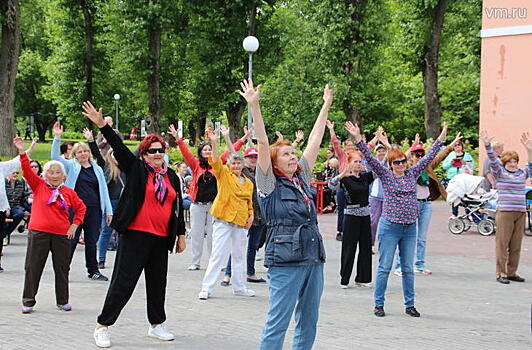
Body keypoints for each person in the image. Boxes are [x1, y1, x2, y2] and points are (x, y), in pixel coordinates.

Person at [82, 101, 186, 348]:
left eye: (161, 150)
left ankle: (156, 324)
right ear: (144, 154)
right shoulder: (137, 168)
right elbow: (118, 145)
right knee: (123, 282)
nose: (158, 154)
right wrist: (102, 125)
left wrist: (180, 235)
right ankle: (103, 325)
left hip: (161, 238)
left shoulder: (171, 176)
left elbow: (177, 207)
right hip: (136, 235)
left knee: (158, 282)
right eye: (152, 151)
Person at [239, 78, 331, 349]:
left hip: (313, 256)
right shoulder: (268, 183)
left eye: (294, 153)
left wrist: (326, 105)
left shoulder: (301, 178)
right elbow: (264, 143)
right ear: (275, 163)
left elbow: (315, 138)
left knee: (308, 320)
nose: (293, 157)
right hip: (285, 259)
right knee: (278, 321)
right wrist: (254, 106)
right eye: (287, 155)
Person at [346, 121, 447, 318]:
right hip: (390, 227)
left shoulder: (412, 173)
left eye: (403, 161)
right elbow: (369, 158)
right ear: (391, 165)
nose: (401, 165)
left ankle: (410, 305)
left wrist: (441, 138)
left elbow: (428, 158)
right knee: (384, 267)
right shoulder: (385, 175)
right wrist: (358, 139)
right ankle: (379, 304)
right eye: (397, 163)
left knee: (408, 268)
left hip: (410, 228)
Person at [14, 137, 87, 313]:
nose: (54, 175)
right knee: (33, 267)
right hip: (38, 233)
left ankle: (62, 301)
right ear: (45, 175)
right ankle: (28, 301)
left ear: (64, 176)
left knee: (62, 268)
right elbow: (26, 170)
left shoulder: (68, 192)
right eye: (51, 172)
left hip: (61, 235)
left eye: (58, 172)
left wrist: (74, 226)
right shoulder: (39, 186)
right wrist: (22, 151)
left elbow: (81, 208)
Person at [173, 124, 251, 271]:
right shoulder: (195, 164)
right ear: (201, 152)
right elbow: (185, 153)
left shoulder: (218, 162)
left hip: (214, 205)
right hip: (197, 205)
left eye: (210, 149)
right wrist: (178, 139)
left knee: (213, 236)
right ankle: (195, 262)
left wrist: (244, 138)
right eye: (205, 150)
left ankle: (214, 262)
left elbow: (231, 150)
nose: (208, 151)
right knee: (196, 234)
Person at [195, 125, 254, 299]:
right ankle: (207, 288)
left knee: (238, 255)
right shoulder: (224, 175)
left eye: (238, 162)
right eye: (233, 162)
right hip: (223, 219)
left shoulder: (248, 182)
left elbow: (249, 201)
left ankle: (239, 287)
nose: (236, 165)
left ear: (243, 165)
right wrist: (214, 142)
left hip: (241, 221)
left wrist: (251, 215)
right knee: (218, 254)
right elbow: (215, 161)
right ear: (229, 164)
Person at [394, 132, 463, 276]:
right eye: (416, 154)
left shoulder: (428, 166)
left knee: (422, 237)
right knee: (406, 235)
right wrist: (412, 146)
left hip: (426, 204)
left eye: (421, 154)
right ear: (411, 156)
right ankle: (399, 266)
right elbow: (397, 159)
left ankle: (419, 264)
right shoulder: (406, 170)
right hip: (411, 205)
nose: (419, 157)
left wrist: (452, 145)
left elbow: (440, 155)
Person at [51, 122, 113, 281]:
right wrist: (57, 137)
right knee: (71, 240)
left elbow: (104, 191)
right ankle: (63, 270)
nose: (83, 154)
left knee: (92, 241)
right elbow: (54, 158)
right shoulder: (71, 166)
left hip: (93, 209)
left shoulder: (97, 168)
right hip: (75, 209)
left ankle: (93, 270)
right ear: (74, 154)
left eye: (85, 151)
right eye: (79, 152)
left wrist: (108, 211)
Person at [480, 131, 532, 284]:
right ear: (505, 163)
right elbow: (492, 160)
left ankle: (512, 272)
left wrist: (529, 150)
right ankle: (501, 273)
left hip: (520, 212)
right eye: (510, 161)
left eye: (515, 161)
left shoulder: (522, 173)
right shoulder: (500, 172)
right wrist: (488, 145)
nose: (513, 164)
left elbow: (531, 165)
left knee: (516, 245)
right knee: (503, 244)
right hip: (505, 212)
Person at [221, 145, 268, 286]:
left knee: (253, 245)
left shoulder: (262, 172)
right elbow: (230, 155)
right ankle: (228, 274)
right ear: (245, 159)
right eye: (250, 157)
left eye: (256, 157)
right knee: (238, 245)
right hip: (244, 213)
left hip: (259, 214)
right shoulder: (241, 172)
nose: (253, 159)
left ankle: (251, 273)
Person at [329, 151, 374, 288]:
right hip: (351, 216)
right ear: (349, 163)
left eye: (360, 161)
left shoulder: (366, 177)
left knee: (366, 248)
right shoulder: (345, 179)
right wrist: (343, 174)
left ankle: (363, 278)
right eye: (355, 161)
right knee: (349, 248)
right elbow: (331, 185)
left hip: (365, 215)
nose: (358, 164)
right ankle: (345, 279)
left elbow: (380, 170)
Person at [326, 120, 377, 241]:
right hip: (344, 182)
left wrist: (377, 137)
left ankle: (358, 231)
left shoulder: (358, 155)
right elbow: (335, 143)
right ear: (345, 147)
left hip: (356, 183)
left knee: (359, 206)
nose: (350, 148)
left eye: (351, 146)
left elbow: (368, 147)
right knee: (342, 208)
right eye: (347, 146)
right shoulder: (342, 155)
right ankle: (340, 231)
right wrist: (331, 129)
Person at [84, 128, 126, 269]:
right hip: (111, 203)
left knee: (124, 232)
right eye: (113, 155)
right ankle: (101, 259)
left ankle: (124, 260)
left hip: (124, 203)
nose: (116, 157)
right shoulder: (106, 167)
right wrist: (91, 140)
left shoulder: (128, 166)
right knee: (106, 231)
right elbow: (96, 154)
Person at [0, 139, 35, 272]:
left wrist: (26, 149)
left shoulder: (2, 167)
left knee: (1, 234)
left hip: (1, 207)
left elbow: (18, 161)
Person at [442, 140, 474, 217]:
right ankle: (454, 213)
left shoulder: (467, 155)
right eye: (455, 145)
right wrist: (451, 163)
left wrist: (465, 163)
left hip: (464, 178)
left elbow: (472, 166)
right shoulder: (450, 155)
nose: (457, 146)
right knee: (454, 196)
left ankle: (468, 214)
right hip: (453, 178)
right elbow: (444, 166)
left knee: (466, 196)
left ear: (462, 146)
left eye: (459, 144)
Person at [4, 170, 30, 235]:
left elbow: (22, 195)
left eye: (17, 173)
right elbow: (3, 197)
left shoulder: (20, 183)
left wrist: (32, 193)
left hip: (15, 206)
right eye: (13, 173)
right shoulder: (3, 183)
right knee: (6, 216)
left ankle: (6, 233)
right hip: (4, 206)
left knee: (20, 214)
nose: (15, 174)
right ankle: (5, 234)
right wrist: (6, 208)